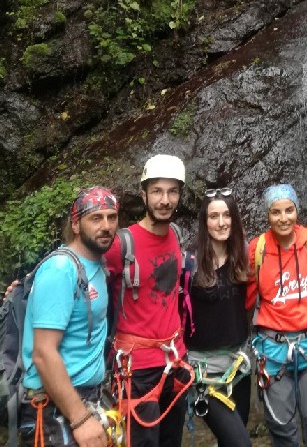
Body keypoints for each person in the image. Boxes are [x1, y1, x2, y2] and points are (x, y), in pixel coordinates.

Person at [19, 186, 119, 447]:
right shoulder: (61, 269)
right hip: (57, 406)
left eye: (111, 217)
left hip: (88, 397)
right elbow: (43, 353)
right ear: (76, 224)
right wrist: (80, 418)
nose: (106, 226)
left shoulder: (96, 265)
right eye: (96, 218)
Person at [105, 154, 193, 447]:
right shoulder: (121, 244)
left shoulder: (177, 236)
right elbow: (82, 277)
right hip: (136, 369)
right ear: (143, 194)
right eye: (157, 191)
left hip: (174, 359)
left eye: (172, 192)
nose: (165, 200)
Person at [246, 184, 307, 447]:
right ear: (267, 215)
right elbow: (247, 301)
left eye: (289, 210)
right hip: (273, 353)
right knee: (282, 428)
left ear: (297, 210)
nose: (283, 218)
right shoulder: (258, 249)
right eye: (276, 212)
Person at [183, 188, 251, 447]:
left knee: (231, 439)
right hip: (204, 373)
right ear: (204, 221)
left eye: (226, 215)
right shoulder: (188, 263)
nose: (221, 223)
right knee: (240, 443)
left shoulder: (243, 256)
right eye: (214, 216)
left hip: (239, 368)